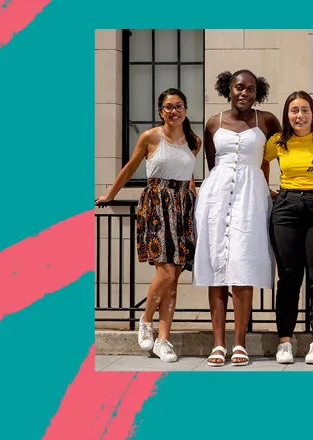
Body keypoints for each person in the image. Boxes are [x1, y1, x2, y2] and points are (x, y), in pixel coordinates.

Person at [95, 88, 200, 363]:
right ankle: (145, 320)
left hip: (182, 208)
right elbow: (130, 167)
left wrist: (196, 195)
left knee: (174, 280)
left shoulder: (194, 141)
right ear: (160, 111)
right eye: (168, 107)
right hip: (157, 204)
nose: (174, 111)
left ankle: (163, 340)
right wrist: (111, 194)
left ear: (186, 110)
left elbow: (188, 176)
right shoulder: (151, 137)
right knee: (164, 273)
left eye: (179, 106)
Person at [194, 69, 281, 367]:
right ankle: (218, 344)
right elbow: (211, 163)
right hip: (216, 198)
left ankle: (240, 343)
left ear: (258, 93)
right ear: (228, 89)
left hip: (251, 198)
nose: (245, 93)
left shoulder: (267, 121)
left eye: (251, 89)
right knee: (217, 268)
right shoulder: (213, 122)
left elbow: (284, 154)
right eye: (239, 87)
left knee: (243, 266)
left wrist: (276, 188)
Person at [265, 91, 313, 365]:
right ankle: (285, 341)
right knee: (288, 278)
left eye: (305, 110)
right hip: (286, 207)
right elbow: (258, 165)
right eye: (294, 111)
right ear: (287, 115)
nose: (300, 116)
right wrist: (267, 191)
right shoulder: (277, 142)